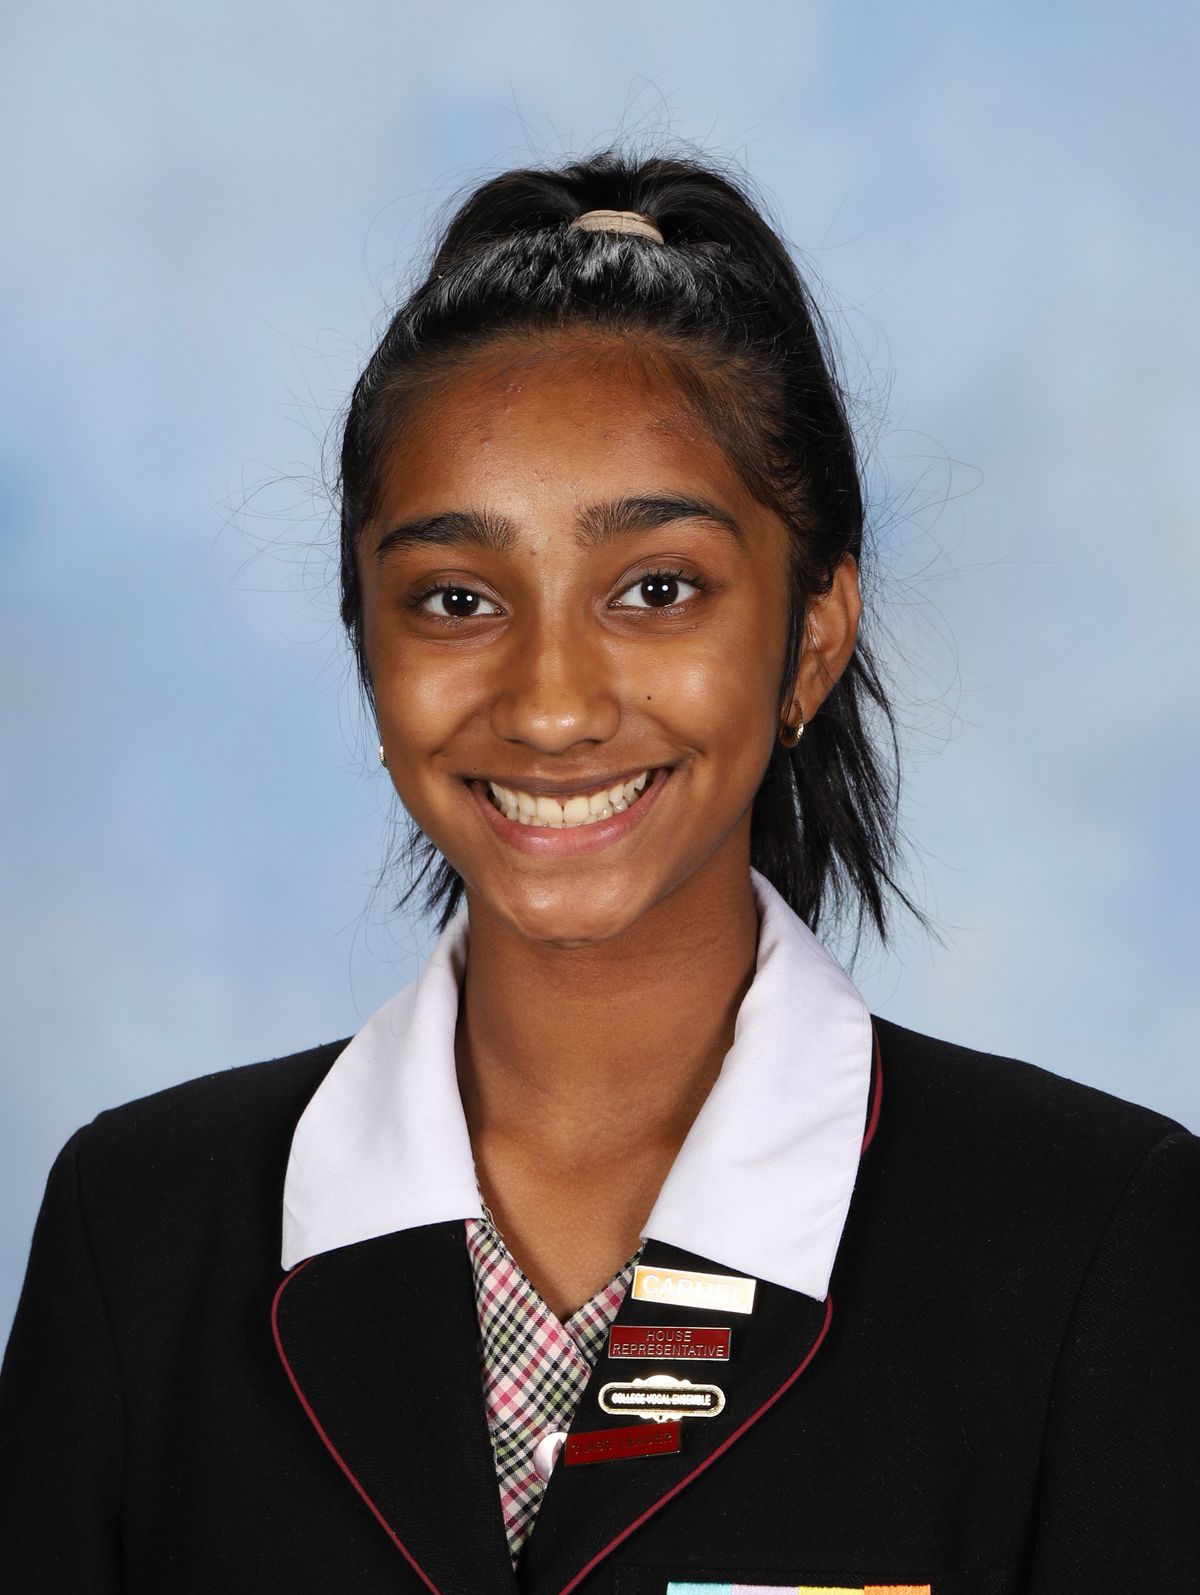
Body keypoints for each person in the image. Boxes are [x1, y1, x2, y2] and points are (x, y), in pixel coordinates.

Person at [1, 148, 1196, 1595]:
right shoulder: (140, 1234)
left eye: (657, 589)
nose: (553, 704)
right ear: (367, 646)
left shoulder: (1092, 1241)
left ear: (814, 634)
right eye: (456, 599)